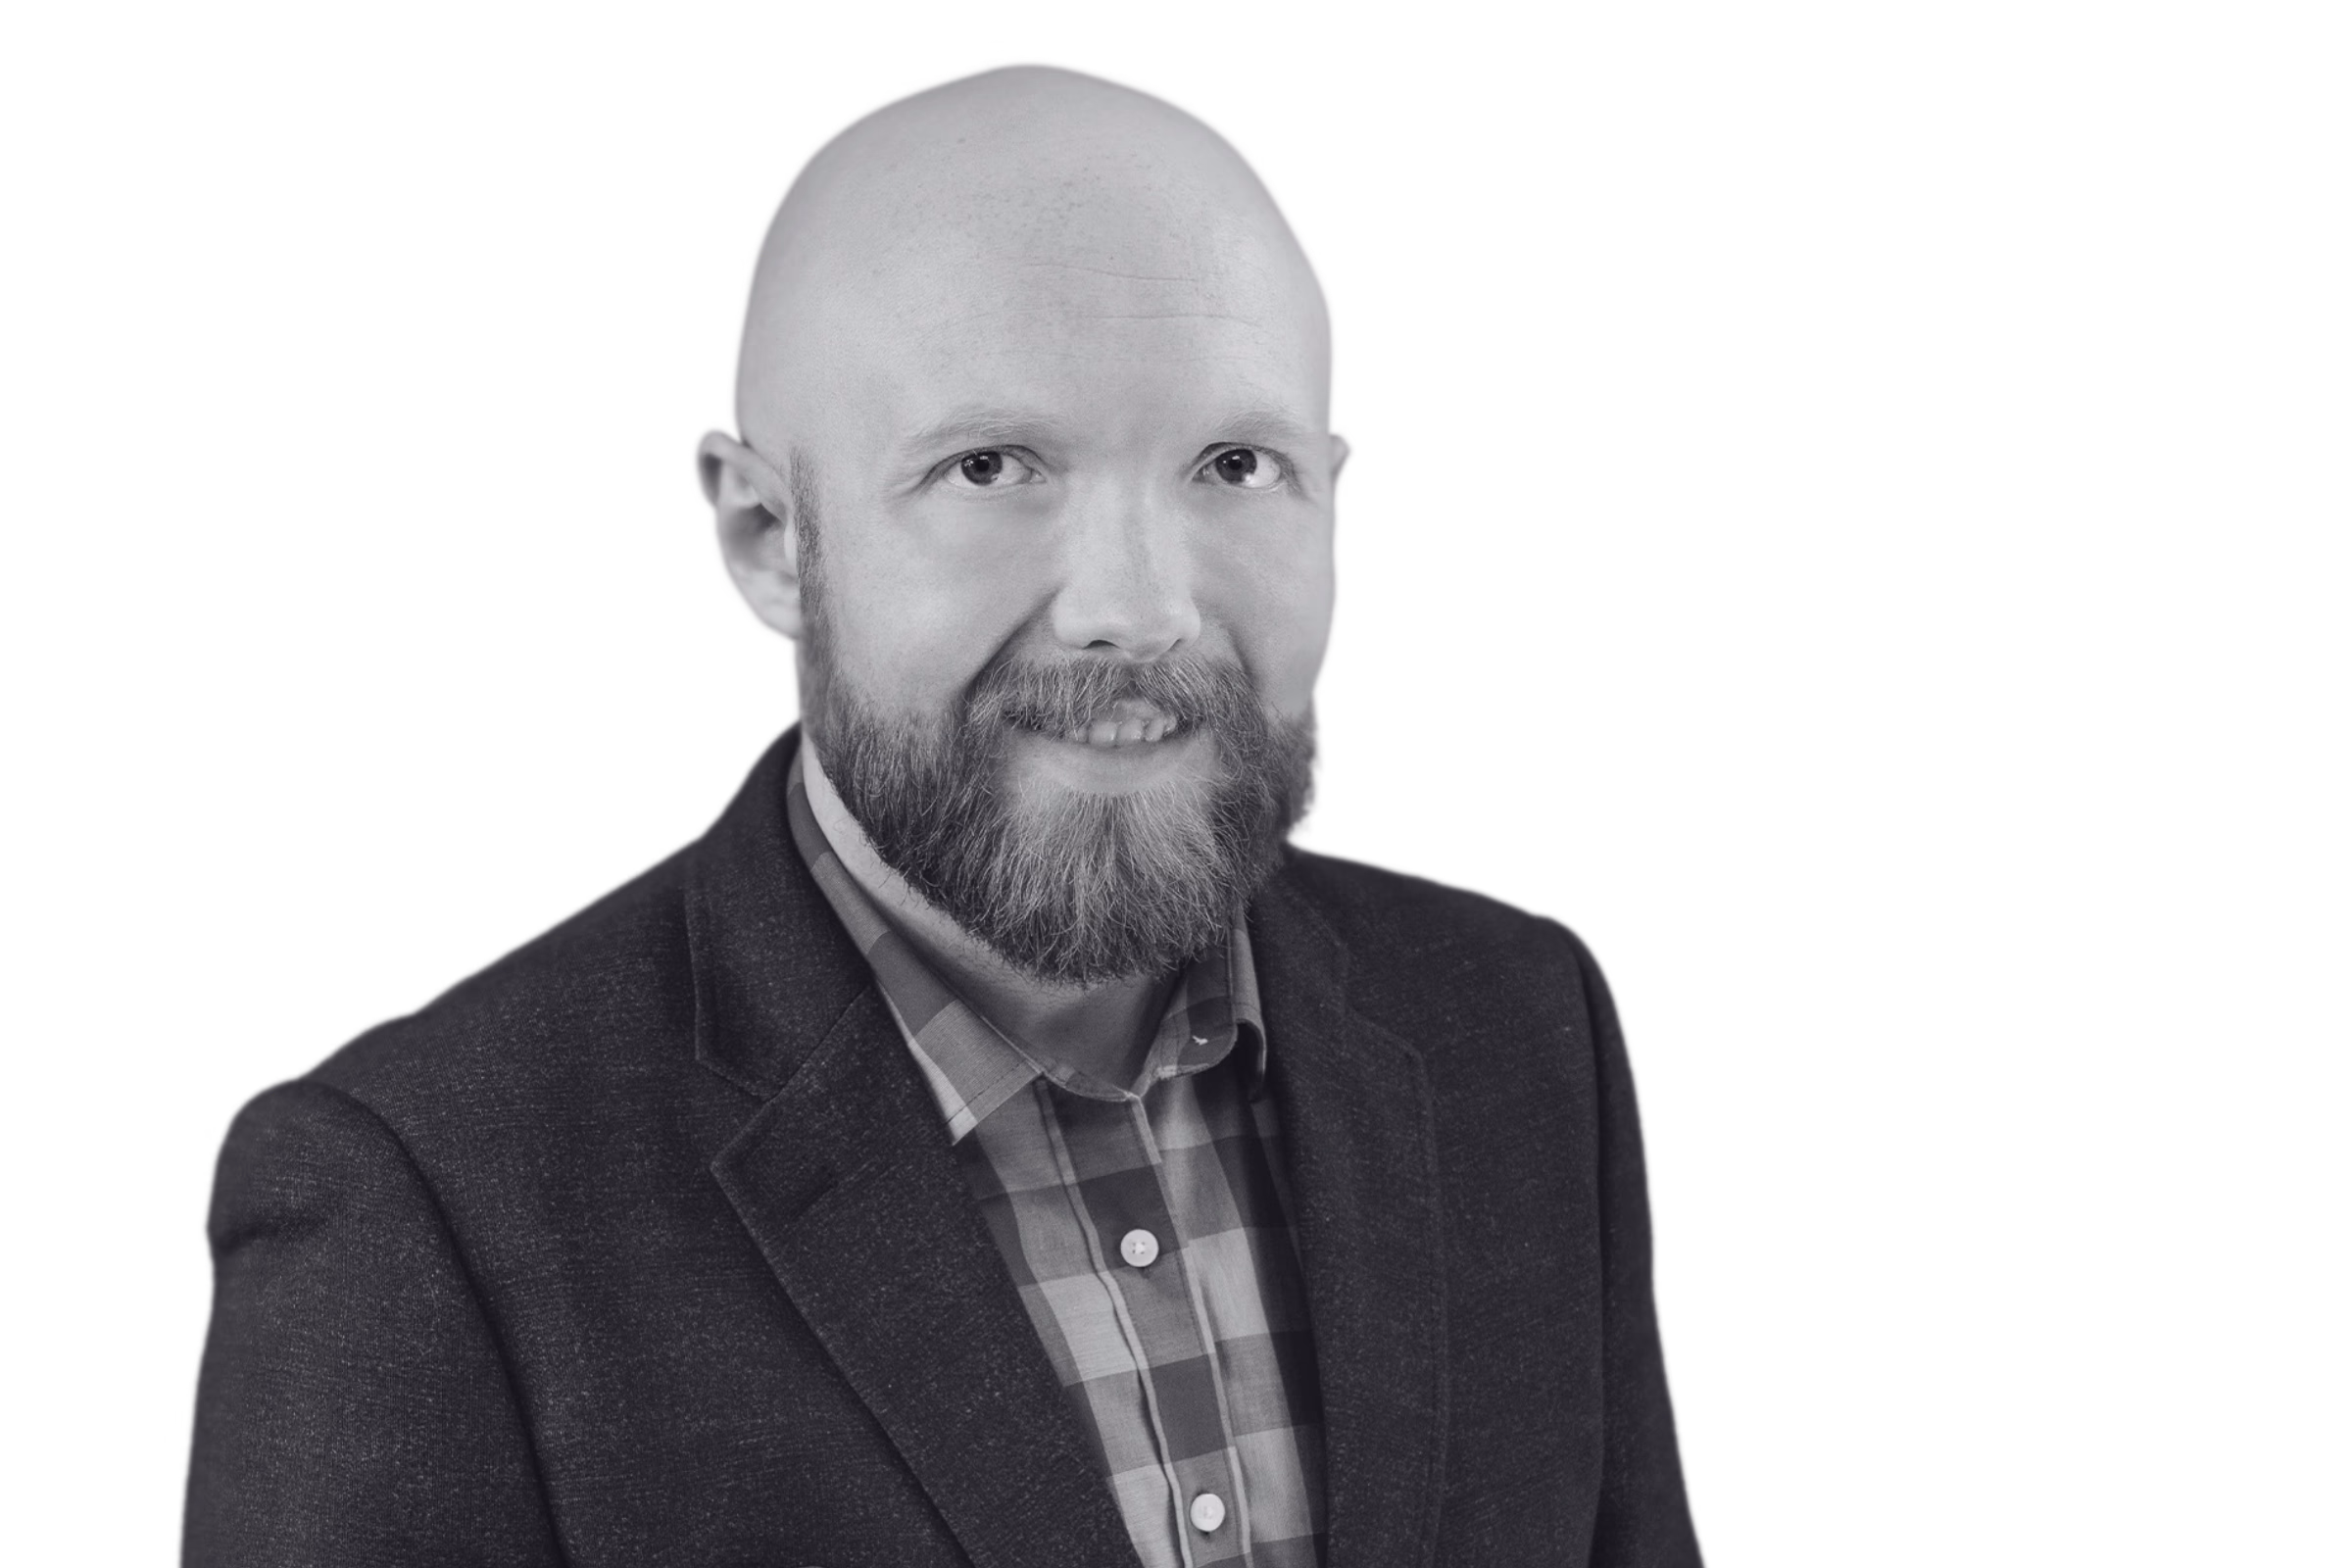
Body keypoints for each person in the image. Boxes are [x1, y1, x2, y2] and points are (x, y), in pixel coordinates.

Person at [177, 58, 1705, 1567]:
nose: (1137, 609)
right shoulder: (416, 1200)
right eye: (992, 467)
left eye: (1236, 465)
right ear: (763, 536)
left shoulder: (1525, 1023)